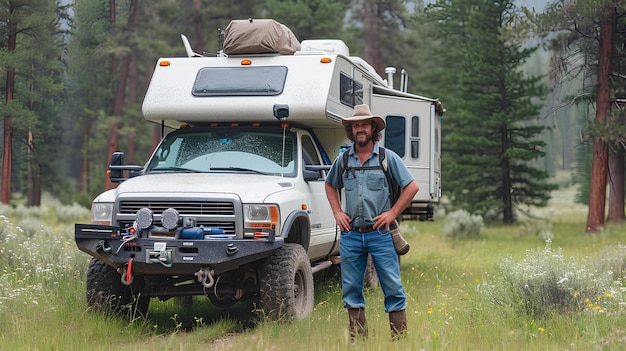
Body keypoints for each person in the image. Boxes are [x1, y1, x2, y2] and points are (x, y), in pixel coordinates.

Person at [325, 104, 419, 341]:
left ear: (373, 128)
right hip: (351, 235)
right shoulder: (344, 159)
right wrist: (337, 212)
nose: (360, 129)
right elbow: (330, 184)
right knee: (351, 290)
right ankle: (359, 342)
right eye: (355, 125)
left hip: (381, 234)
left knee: (393, 288)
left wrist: (392, 214)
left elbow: (412, 186)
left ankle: (399, 341)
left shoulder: (388, 158)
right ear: (351, 130)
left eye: (364, 125)